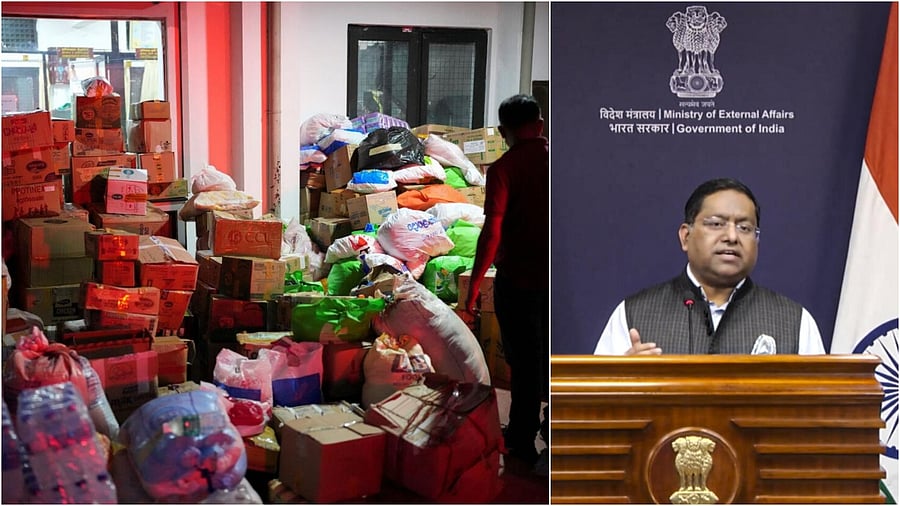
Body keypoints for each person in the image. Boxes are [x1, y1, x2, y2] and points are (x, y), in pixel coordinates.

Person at [594, 177, 826, 356]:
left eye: (745, 228)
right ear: (686, 237)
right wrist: (622, 381)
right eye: (716, 224)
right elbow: (596, 406)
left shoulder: (794, 321)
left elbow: (820, 410)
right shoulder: (633, 314)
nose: (732, 236)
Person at [465, 94, 549, 466]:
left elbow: (492, 233)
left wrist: (472, 288)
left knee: (525, 363)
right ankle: (557, 428)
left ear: (503, 132)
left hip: (519, 282)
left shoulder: (503, 169)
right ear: (540, 124)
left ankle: (520, 437)